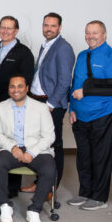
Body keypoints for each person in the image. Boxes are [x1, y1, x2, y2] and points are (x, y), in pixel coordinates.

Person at [66, 20, 112, 211]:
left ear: (104, 34)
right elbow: (76, 83)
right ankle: (85, 192)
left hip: (103, 113)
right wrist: (72, 108)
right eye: (88, 33)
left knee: (101, 156)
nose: (90, 36)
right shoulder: (82, 55)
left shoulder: (111, 56)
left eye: (95, 33)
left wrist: (87, 92)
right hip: (80, 115)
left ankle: (99, 197)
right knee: (83, 156)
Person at [0, 76, 57, 222]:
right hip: (11, 148)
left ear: (27, 88)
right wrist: (12, 147)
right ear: (8, 89)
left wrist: (32, 152)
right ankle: (4, 205)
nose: (16, 90)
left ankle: (34, 209)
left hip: (36, 148)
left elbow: (49, 135)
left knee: (49, 168)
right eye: (12, 86)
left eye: (20, 86)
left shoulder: (41, 107)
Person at [0, 16, 36, 198]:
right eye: (2, 28)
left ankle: (11, 188)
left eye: (9, 28)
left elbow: (25, 82)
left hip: (13, 105)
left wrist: (2, 98)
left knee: (15, 139)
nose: (5, 31)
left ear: (16, 31)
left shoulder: (24, 53)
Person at [29, 12, 75, 192]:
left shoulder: (63, 48)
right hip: (38, 101)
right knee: (39, 144)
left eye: (53, 26)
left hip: (51, 105)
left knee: (54, 144)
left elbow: (65, 81)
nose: (49, 29)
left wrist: (51, 104)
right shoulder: (46, 45)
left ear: (60, 28)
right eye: (46, 25)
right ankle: (40, 182)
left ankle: (51, 188)